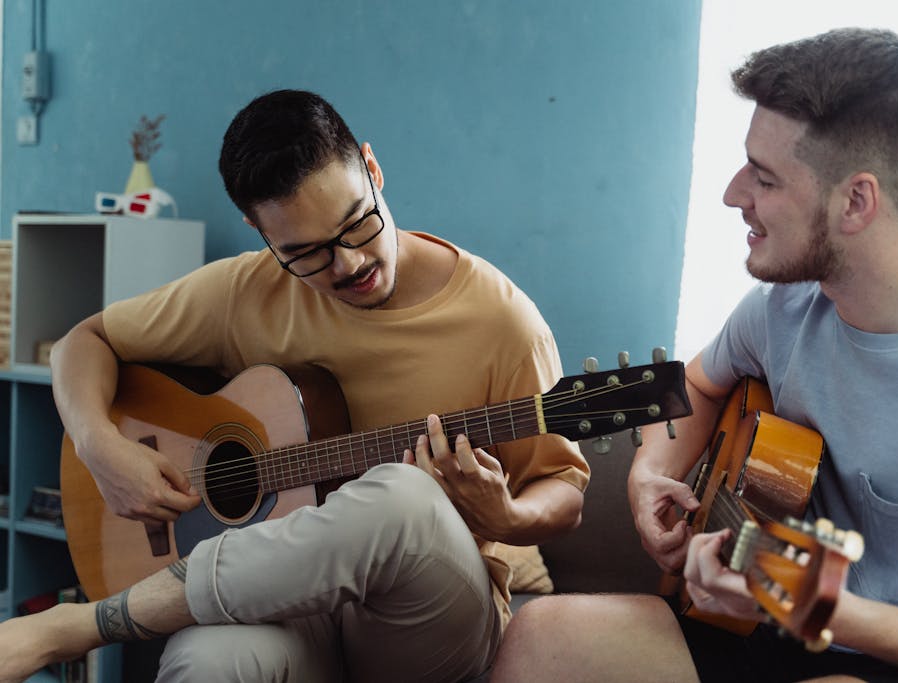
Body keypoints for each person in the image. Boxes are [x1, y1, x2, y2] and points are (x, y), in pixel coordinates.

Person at [489, 27, 898, 682]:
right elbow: (696, 385)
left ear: (856, 200)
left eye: (764, 178)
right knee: (543, 635)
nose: (733, 193)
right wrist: (650, 471)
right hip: (756, 628)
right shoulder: (782, 306)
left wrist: (819, 606)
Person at [0, 89, 588, 683]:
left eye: (356, 225)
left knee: (405, 494)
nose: (348, 265)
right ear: (258, 230)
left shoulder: (502, 321)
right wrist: (98, 445)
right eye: (305, 254)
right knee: (204, 659)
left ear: (372, 169)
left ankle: (89, 625)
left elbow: (563, 486)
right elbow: (84, 342)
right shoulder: (245, 291)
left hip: (426, 615)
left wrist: (507, 515)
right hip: (294, 610)